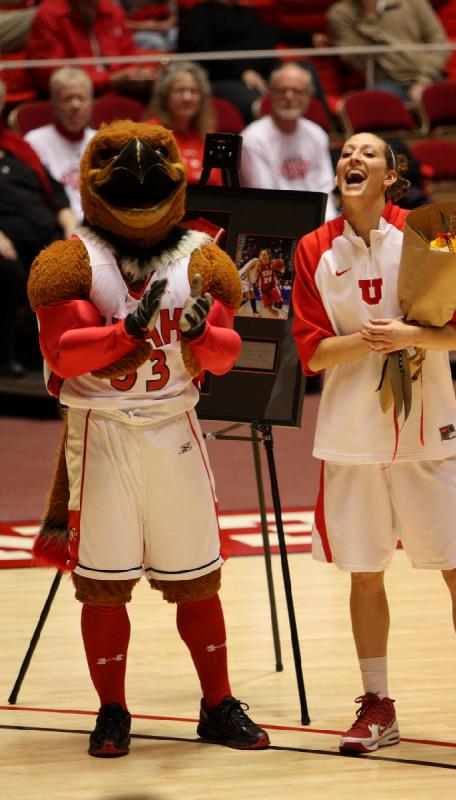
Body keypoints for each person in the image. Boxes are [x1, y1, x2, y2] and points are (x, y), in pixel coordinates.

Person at [27, 120, 270, 757]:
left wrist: (199, 336)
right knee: (102, 584)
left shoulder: (204, 255)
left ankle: (217, 704)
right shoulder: (69, 258)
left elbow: (226, 353)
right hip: (102, 433)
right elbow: (62, 351)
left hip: (172, 428)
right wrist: (125, 333)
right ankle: (112, 711)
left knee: (199, 578)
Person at [291, 131, 456, 760]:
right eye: (344, 154)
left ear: (392, 176)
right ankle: (378, 704)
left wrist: (413, 331)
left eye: (366, 154)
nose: (351, 160)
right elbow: (311, 354)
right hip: (352, 437)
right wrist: (374, 340)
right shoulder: (313, 249)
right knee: (364, 576)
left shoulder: (430, 234)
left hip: (430, 434)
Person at [0, 79, 76, 377]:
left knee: (67, 267)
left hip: (44, 231)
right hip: (5, 240)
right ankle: (4, 357)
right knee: (7, 271)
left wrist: (70, 227)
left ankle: (47, 356)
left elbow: (56, 193)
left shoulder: (18, 146)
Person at [178, 0, 330, 124]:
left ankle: (325, 128)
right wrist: (241, 71)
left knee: (303, 71)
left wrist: (310, 38)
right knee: (253, 100)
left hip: (265, 70)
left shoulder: (246, 12)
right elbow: (203, 55)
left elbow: (271, 32)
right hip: (224, 77)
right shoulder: (196, 16)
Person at [239, 63, 338, 222]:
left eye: (297, 91)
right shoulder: (252, 139)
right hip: (273, 223)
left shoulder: (317, 134)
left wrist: (328, 230)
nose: (289, 97)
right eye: (282, 90)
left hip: (317, 222)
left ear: (308, 96)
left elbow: (324, 190)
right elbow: (264, 199)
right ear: (270, 94)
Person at [326, 0, 449, 105]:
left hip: (429, 75)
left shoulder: (413, 2)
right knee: (377, 104)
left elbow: (440, 44)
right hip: (386, 82)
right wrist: (369, 17)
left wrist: (423, 81)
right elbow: (357, 63)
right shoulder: (340, 14)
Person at [25, 0, 156, 97]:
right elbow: (52, 75)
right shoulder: (49, 14)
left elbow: (130, 54)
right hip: (74, 97)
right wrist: (110, 80)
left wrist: (137, 73)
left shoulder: (112, 11)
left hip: (121, 91)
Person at [25, 67, 96, 223]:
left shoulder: (100, 141)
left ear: (91, 104)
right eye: (67, 98)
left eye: (82, 98)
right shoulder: (35, 141)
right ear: (54, 104)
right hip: (59, 227)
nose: (75, 106)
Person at [145, 61, 222, 186]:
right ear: (165, 96)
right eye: (180, 90)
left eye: (194, 91)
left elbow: (221, 190)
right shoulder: (149, 135)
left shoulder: (208, 136)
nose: (187, 97)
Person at [239, 248, 285, 318]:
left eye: (264, 254)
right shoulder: (256, 261)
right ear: (259, 256)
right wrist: (250, 283)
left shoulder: (264, 264)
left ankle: (254, 312)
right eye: (262, 254)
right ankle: (236, 309)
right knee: (249, 296)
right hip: (243, 279)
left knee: (252, 297)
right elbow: (248, 271)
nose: (263, 256)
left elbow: (257, 275)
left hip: (249, 281)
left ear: (268, 256)